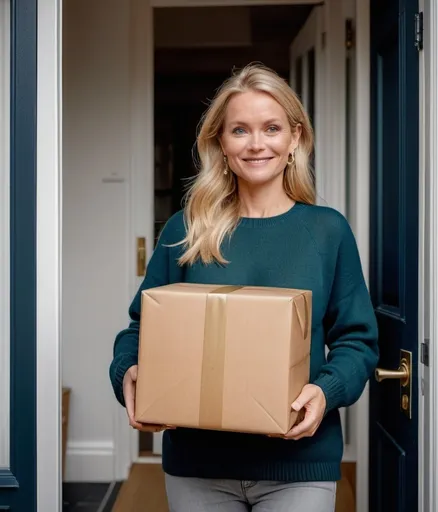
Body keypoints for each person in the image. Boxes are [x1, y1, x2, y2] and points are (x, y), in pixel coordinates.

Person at [109, 63, 379, 512]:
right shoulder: (187, 229)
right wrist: (128, 371)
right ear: (220, 143)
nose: (257, 144)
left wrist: (326, 390)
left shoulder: (327, 231)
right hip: (198, 468)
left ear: (295, 138)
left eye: (271, 128)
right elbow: (140, 330)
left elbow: (358, 342)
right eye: (240, 130)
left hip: (299, 466)